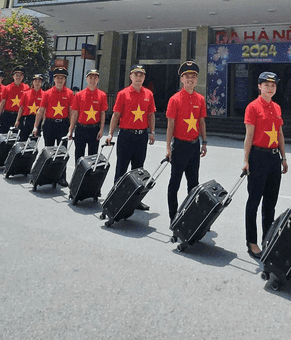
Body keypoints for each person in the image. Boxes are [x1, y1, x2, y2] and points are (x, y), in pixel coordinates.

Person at [241, 71, 288, 260]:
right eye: (266, 85)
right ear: (259, 87)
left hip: (274, 159)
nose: (270, 88)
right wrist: (245, 160)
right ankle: (251, 241)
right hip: (258, 157)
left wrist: (284, 157)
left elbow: (280, 134)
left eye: (273, 85)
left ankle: (267, 239)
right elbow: (249, 135)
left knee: (270, 203)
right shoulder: (253, 107)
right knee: (254, 201)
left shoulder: (277, 107)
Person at [165, 61, 207, 222]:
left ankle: (191, 215)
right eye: (187, 76)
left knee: (194, 183)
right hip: (180, 146)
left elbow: (202, 122)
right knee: (174, 183)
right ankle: (173, 217)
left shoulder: (200, 99)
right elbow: (170, 125)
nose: (190, 79)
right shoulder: (175, 99)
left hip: (194, 146)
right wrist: (168, 147)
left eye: (193, 77)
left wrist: (204, 142)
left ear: (197, 80)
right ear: (182, 79)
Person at [105, 65, 156, 193]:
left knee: (138, 170)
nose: (138, 78)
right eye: (136, 75)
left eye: (141, 75)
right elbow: (116, 115)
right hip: (126, 136)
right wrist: (110, 133)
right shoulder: (123, 94)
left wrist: (152, 132)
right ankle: (116, 197)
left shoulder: (148, 94)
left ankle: (135, 199)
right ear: (130, 77)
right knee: (121, 167)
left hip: (141, 136)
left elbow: (151, 115)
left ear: (144, 78)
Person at [68, 68, 107, 161]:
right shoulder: (79, 95)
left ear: (98, 80)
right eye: (91, 78)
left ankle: (90, 176)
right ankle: (78, 175)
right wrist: (70, 130)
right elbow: (75, 114)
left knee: (93, 157)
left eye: (95, 78)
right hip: (81, 128)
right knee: (79, 155)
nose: (93, 80)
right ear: (87, 79)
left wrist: (101, 129)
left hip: (94, 129)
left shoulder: (102, 95)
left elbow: (102, 113)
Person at [0, 67, 28, 134]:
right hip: (7, 115)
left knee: (17, 137)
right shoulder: (7, 88)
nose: (18, 77)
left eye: (20, 75)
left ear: (23, 77)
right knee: (3, 135)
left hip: (20, 115)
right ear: (13, 76)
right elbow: (2, 103)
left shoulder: (26, 88)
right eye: (16, 75)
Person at [17, 73, 46, 142]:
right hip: (26, 119)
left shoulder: (45, 94)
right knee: (22, 140)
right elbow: (21, 108)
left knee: (34, 142)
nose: (37, 83)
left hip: (37, 119)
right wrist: (17, 120)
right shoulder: (26, 93)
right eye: (35, 81)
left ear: (41, 83)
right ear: (33, 82)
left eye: (39, 81)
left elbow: (45, 110)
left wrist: (44, 122)